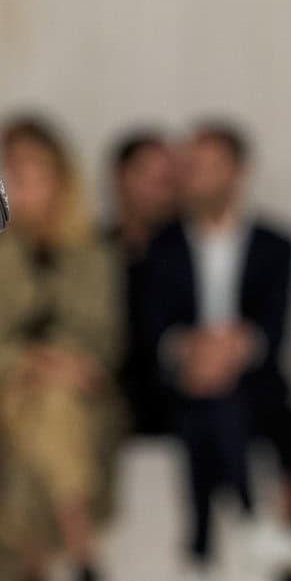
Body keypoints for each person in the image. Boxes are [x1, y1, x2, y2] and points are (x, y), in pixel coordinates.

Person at [137, 121, 291, 581]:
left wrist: (228, 350)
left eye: (209, 166)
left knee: (216, 401)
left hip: (251, 378)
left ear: (239, 171)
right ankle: (250, 521)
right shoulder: (162, 244)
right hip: (178, 377)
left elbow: (274, 329)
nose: (197, 176)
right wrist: (192, 351)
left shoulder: (278, 245)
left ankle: (199, 555)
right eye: (191, 166)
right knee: (211, 397)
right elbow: (152, 326)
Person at [0, 117, 125, 581]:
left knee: (51, 407)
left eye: (37, 174)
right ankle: (80, 542)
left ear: (61, 181)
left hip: (78, 389)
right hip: (9, 386)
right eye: (16, 173)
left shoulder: (93, 254)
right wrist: (32, 362)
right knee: (42, 406)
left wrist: (66, 364)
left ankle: (32, 565)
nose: (26, 187)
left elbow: (104, 339)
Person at [104, 129, 181, 435]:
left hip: (165, 392)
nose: (158, 189)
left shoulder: (187, 255)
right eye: (147, 175)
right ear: (120, 177)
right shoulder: (94, 249)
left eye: (167, 179)